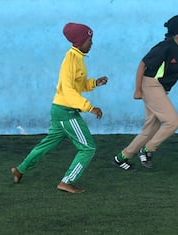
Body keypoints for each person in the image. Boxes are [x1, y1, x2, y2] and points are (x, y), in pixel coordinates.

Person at [113, 15, 178, 170]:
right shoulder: (165, 47)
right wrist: (137, 90)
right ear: (176, 33)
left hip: (161, 89)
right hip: (151, 85)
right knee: (172, 122)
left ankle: (121, 158)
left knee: (150, 129)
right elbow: (142, 65)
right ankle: (147, 150)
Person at [11, 22, 108, 193]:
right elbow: (69, 91)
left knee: (45, 145)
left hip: (59, 109)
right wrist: (90, 107)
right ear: (80, 41)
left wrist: (94, 83)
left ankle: (20, 169)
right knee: (88, 148)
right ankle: (66, 181)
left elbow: (78, 85)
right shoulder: (70, 60)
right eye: (89, 40)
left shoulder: (78, 58)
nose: (92, 43)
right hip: (66, 111)